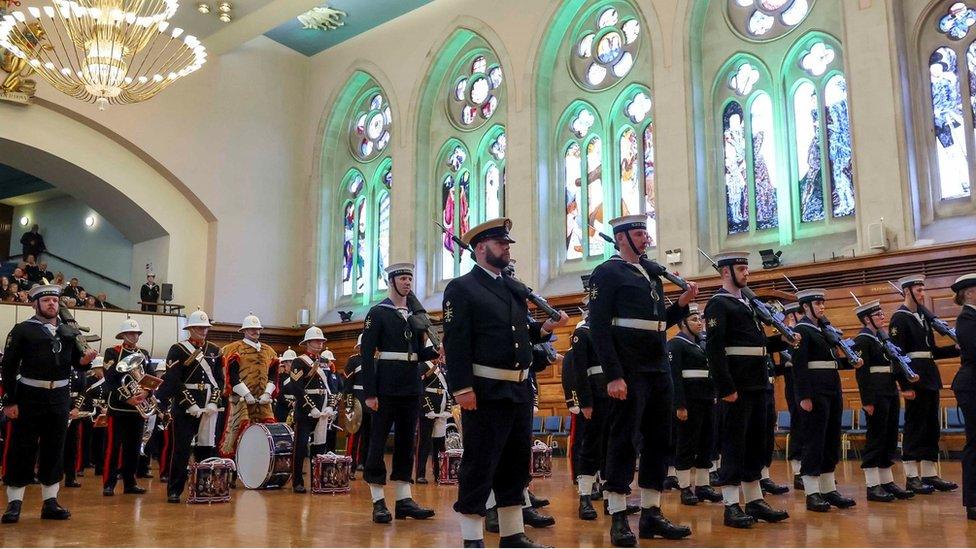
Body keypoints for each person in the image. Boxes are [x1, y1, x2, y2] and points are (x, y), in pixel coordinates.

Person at [442, 218, 568, 548]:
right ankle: (472, 538)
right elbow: (456, 342)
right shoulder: (462, 288)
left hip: (518, 390)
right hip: (484, 391)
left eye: (508, 243)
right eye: (501, 243)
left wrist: (543, 330)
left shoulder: (511, 288)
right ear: (481, 248)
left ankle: (512, 534)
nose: (507, 248)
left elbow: (517, 334)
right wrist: (462, 388)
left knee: (515, 465)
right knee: (480, 464)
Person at [587, 215, 698, 546]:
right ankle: (619, 515)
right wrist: (614, 375)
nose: (646, 239)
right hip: (630, 369)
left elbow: (659, 322)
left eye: (646, 233)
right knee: (623, 440)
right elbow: (599, 328)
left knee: (660, 440)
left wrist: (681, 304)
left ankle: (651, 513)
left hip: (657, 368)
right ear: (621, 239)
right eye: (639, 234)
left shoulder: (650, 274)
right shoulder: (607, 273)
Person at [704, 251, 792, 529]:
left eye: (746, 268)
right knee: (734, 443)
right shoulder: (718, 304)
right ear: (725, 272)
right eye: (741, 268)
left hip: (758, 383)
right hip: (737, 386)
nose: (747, 273)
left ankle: (754, 500)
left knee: (756, 442)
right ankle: (731, 504)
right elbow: (715, 350)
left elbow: (758, 346)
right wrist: (725, 387)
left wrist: (785, 340)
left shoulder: (749, 305)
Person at [1, 283, 97, 524]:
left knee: (55, 448)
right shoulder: (23, 330)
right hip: (29, 395)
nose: (52, 304)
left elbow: (78, 364)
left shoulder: (68, 332)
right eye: (46, 301)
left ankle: (50, 501)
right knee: (23, 447)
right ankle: (14, 502)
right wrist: (10, 400)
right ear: (35, 304)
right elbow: (9, 367)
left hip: (59, 397)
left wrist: (85, 360)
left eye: (55, 300)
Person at [361, 263, 438, 523]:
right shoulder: (378, 313)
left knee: (407, 442)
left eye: (409, 278)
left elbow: (417, 353)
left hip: (410, 386)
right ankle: (378, 500)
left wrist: (438, 351)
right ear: (391, 281)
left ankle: (404, 499)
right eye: (403, 278)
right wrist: (370, 393)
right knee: (378, 442)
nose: (407, 283)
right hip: (385, 387)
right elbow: (366, 354)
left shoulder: (415, 315)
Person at [791, 289, 862, 512]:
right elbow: (799, 366)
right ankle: (812, 492)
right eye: (817, 303)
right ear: (805, 307)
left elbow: (831, 361)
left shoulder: (824, 330)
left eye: (823, 303)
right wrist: (804, 396)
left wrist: (852, 361)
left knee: (830, 439)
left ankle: (828, 488)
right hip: (815, 391)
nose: (822, 307)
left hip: (831, 388)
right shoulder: (801, 330)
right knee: (814, 440)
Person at [889, 274, 960, 493]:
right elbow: (896, 355)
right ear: (907, 291)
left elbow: (932, 351)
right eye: (918, 290)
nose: (922, 294)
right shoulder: (899, 318)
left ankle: (930, 474)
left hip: (929, 377)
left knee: (931, 426)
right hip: (914, 379)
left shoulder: (923, 317)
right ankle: (912, 476)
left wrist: (954, 348)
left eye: (923, 289)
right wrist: (905, 385)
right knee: (915, 426)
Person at [155, 309, 223, 503]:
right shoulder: (178, 349)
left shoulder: (214, 351)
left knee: (206, 448)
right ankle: (175, 489)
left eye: (205, 328)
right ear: (190, 329)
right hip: (185, 407)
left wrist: (213, 401)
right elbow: (174, 381)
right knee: (181, 449)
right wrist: (189, 403)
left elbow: (219, 380)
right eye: (199, 328)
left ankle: (203, 488)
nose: (203, 331)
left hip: (208, 404)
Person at [852, 300, 915, 502]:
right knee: (876, 437)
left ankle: (886, 481)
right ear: (866, 319)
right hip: (876, 393)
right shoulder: (862, 340)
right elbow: (862, 374)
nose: (882, 317)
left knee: (889, 436)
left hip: (889, 390)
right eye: (877, 315)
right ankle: (872, 485)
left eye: (881, 313)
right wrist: (867, 400)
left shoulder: (882, 339)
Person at [668, 303, 723, 507]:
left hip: (707, 399)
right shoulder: (675, 344)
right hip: (689, 402)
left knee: (706, 443)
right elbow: (675, 378)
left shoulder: (702, 343)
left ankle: (703, 486)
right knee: (686, 444)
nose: (699, 323)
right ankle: (684, 487)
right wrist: (679, 405)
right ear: (682, 323)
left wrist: (714, 394)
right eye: (694, 319)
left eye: (700, 319)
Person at [570, 288, 615, 520]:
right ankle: (585, 497)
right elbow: (579, 372)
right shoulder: (583, 334)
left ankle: (611, 499)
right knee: (591, 448)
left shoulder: (610, 331)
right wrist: (585, 402)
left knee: (611, 448)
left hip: (614, 396)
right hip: (595, 397)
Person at [101, 319, 155, 496]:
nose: (134, 336)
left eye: (137, 333)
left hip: (138, 407)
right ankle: (108, 483)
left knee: (133, 447)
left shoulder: (144, 354)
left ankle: (130, 482)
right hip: (119, 408)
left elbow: (151, 377)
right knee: (113, 447)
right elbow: (110, 380)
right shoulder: (112, 352)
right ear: (123, 335)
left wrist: (146, 393)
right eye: (131, 333)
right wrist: (128, 398)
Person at [218, 315, 278, 457]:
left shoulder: (269, 351)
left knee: (266, 431)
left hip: (263, 401)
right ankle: (232, 466)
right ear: (244, 330)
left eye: (257, 329)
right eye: (251, 329)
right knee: (236, 430)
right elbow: (231, 376)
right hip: (241, 400)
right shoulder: (234, 349)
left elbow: (273, 376)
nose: (254, 331)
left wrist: (267, 393)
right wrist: (246, 394)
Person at [287, 326, 334, 493]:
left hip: (322, 409)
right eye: (316, 340)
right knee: (300, 447)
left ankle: (318, 479)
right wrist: (310, 407)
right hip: (306, 411)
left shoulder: (325, 362)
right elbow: (296, 388)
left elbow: (332, 387)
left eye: (322, 340)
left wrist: (331, 405)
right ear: (307, 342)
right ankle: (298, 481)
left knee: (320, 446)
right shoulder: (299, 362)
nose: (320, 343)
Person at [950, 273, 976, 520]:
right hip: (971, 386)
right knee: (974, 443)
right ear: (968, 293)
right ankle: (973, 502)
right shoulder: (966, 318)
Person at [416, 361, 451, 484]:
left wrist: (447, 407)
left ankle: (439, 473)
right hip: (428, 410)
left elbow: (447, 388)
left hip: (441, 408)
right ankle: (420, 474)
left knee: (440, 444)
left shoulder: (443, 366)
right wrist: (427, 408)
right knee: (424, 444)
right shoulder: (423, 366)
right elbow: (420, 387)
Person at [343, 335, 371, 476]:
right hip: (356, 403)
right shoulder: (353, 361)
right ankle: (350, 467)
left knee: (369, 437)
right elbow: (347, 386)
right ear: (358, 347)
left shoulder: (375, 361)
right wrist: (349, 406)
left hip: (371, 404)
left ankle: (364, 464)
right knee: (354, 437)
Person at [320, 349, 344, 452]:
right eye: (326, 361)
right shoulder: (319, 374)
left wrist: (335, 402)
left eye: (330, 361)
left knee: (332, 433)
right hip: (322, 407)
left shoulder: (336, 375)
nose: (329, 363)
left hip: (333, 408)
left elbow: (341, 390)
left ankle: (331, 452)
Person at [274, 348, 297, 423]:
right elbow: (278, 394)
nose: (293, 364)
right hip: (283, 409)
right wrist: (290, 403)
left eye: (294, 361)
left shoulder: (298, 376)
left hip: (296, 408)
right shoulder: (280, 377)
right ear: (285, 363)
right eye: (290, 362)